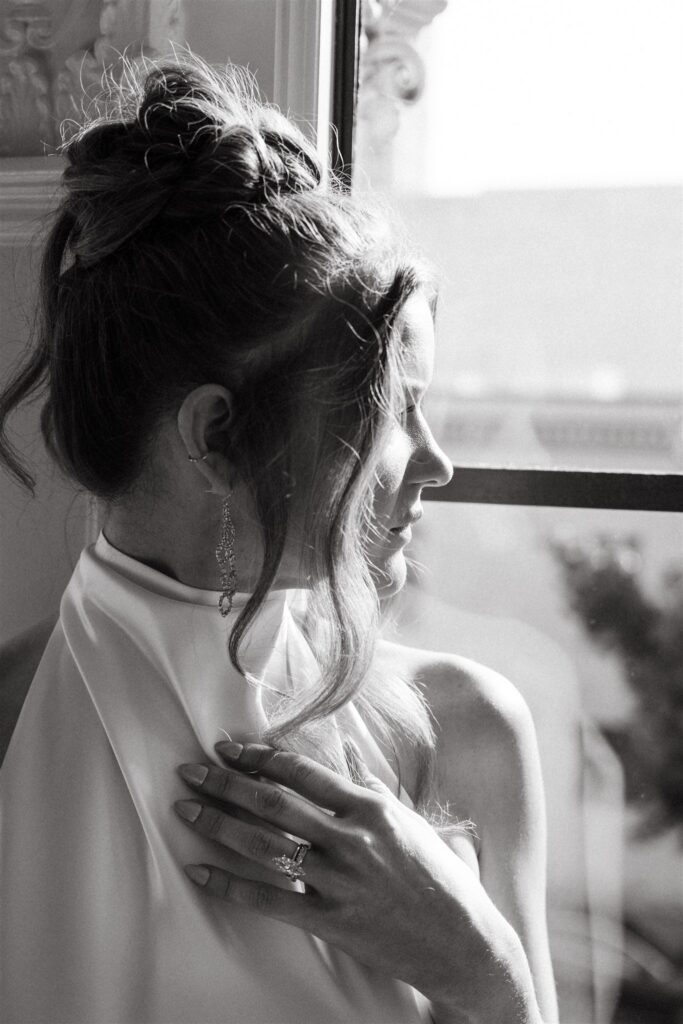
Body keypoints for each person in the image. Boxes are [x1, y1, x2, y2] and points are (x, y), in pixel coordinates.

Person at [0, 55, 558, 1024]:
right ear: (216, 434)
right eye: (391, 409)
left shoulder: (460, 737)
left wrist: (483, 969)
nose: (432, 462)